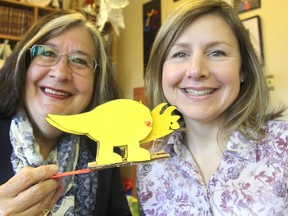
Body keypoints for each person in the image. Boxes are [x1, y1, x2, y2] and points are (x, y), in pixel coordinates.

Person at [136, 0, 288, 215]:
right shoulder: (148, 166)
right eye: (180, 54)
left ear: (243, 70)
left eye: (217, 53)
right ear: (160, 72)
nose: (196, 70)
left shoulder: (284, 148)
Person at [0, 10, 131, 215]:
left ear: (96, 83)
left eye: (79, 60)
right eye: (48, 53)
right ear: (24, 65)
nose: (60, 73)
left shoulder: (105, 156)